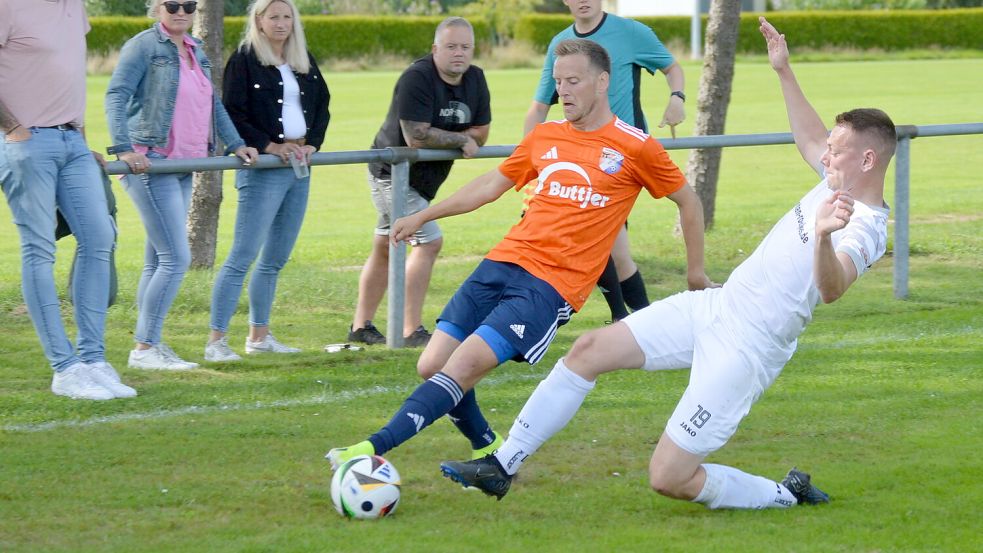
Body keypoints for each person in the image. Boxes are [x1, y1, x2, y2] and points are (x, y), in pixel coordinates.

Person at [439, 17, 896, 510]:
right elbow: (807, 136)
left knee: (669, 477)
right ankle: (503, 465)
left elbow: (832, 288)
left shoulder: (867, 227)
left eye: (836, 151)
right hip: (717, 306)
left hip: (750, 346)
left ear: (868, 161)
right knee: (589, 349)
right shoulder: (835, 179)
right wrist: (783, 70)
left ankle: (786, 495)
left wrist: (822, 237)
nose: (825, 156)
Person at [327, 39, 713, 471]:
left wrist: (695, 274)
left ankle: (369, 448)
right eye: (558, 82)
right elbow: (490, 185)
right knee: (432, 363)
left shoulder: (635, 147)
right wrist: (424, 215)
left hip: (551, 286)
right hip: (503, 262)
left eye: (574, 81)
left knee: (461, 368)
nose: (563, 91)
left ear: (603, 82)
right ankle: (486, 445)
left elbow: (689, 202)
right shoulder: (545, 136)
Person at [105, 0, 259, 370]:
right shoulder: (143, 46)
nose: (181, 12)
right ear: (156, 8)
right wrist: (123, 149)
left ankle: (149, 344)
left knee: (158, 259)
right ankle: (145, 349)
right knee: (176, 258)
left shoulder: (195, 49)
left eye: (189, 5)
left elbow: (212, 104)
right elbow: (116, 95)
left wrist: (236, 143)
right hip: (152, 163)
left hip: (186, 164)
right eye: (172, 5)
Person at [0, 0, 135, 400]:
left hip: (71, 140)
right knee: (40, 248)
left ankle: (93, 360)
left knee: (99, 237)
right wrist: (13, 128)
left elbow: (68, 76)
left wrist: (82, 139)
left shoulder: (74, 7)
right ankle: (65, 368)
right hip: (25, 141)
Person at [524, 0, 687, 324]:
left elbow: (673, 68)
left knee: (603, 242)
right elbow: (539, 107)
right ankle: (636, 321)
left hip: (622, 159)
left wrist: (677, 98)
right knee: (606, 244)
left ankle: (633, 320)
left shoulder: (631, 33)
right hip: (578, 156)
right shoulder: (560, 45)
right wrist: (532, 164)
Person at [347, 16, 491, 347]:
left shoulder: (476, 78)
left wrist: (457, 137)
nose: (459, 53)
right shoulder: (417, 77)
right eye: (451, 46)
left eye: (465, 47)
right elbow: (416, 136)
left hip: (424, 181)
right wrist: (460, 139)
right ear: (435, 48)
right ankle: (410, 329)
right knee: (428, 242)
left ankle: (360, 327)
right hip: (392, 174)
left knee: (386, 246)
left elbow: (482, 132)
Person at [204, 0, 330, 362]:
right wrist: (269, 145)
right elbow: (232, 112)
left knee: (275, 258)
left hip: (298, 169)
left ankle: (259, 337)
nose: (281, 23)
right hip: (263, 170)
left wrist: (312, 143)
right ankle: (216, 341)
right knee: (242, 256)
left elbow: (322, 105)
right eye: (273, 16)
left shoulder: (303, 60)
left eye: (287, 16)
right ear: (258, 20)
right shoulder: (244, 60)